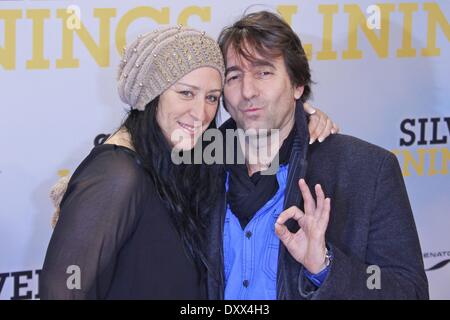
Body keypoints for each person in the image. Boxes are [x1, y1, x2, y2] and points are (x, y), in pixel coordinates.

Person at [40, 25, 336, 299]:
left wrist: (303, 117)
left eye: (211, 98)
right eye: (185, 93)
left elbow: (266, 141)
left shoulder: (191, 152)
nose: (200, 113)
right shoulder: (118, 174)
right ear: (150, 95)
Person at [205, 11, 429, 300]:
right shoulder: (198, 168)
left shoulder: (365, 170)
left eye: (264, 72)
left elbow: (408, 291)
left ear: (298, 85)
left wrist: (325, 267)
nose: (247, 91)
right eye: (234, 76)